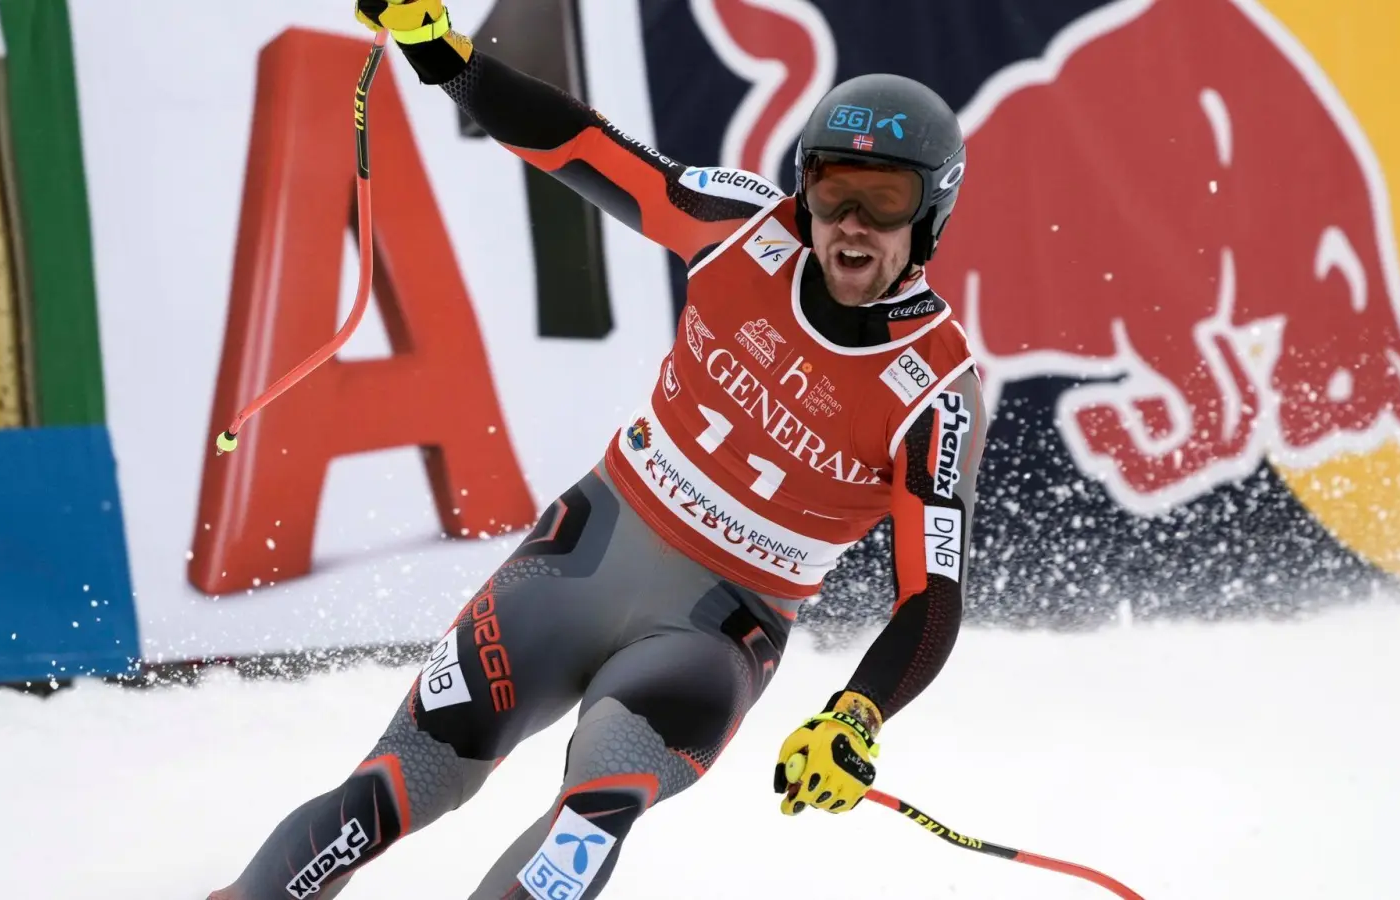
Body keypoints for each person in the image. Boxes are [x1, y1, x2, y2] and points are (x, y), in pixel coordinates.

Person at [210, 1, 988, 897]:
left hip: (712, 635)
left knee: (589, 817)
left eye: (883, 201)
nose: (850, 224)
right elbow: (584, 146)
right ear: (802, 187)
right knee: (393, 786)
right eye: (832, 191)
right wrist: (446, 59)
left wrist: (860, 711)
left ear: (927, 219)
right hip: (585, 557)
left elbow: (933, 597)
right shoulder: (741, 227)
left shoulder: (935, 390)